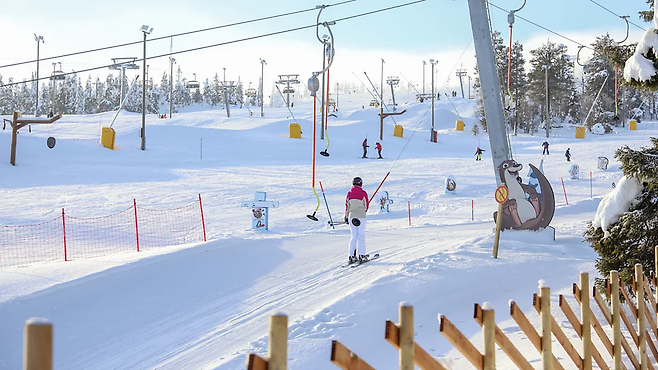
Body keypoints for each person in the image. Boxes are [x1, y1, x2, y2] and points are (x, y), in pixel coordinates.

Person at [345, 177, 369, 264]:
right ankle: (362, 255)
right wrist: (363, 210)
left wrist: (346, 216)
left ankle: (351, 256)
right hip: (361, 216)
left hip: (352, 217)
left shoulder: (349, 193)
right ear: (361, 184)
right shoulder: (363, 193)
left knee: (353, 236)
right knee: (361, 236)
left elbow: (347, 206)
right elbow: (366, 206)